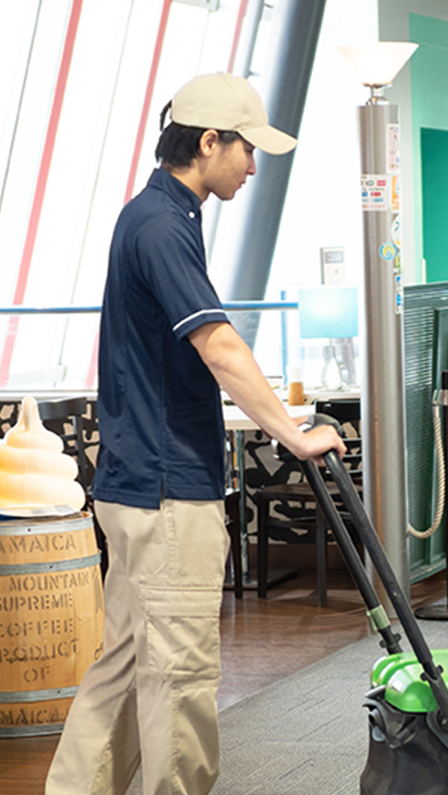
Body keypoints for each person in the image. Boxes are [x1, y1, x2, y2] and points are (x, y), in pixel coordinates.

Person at [44, 73, 346, 795]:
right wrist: (294, 435)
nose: (253, 164)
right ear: (208, 142)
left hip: (136, 482)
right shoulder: (161, 226)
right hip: (165, 489)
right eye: (247, 149)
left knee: (124, 666)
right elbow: (219, 345)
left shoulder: (157, 218)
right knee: (179, 674)